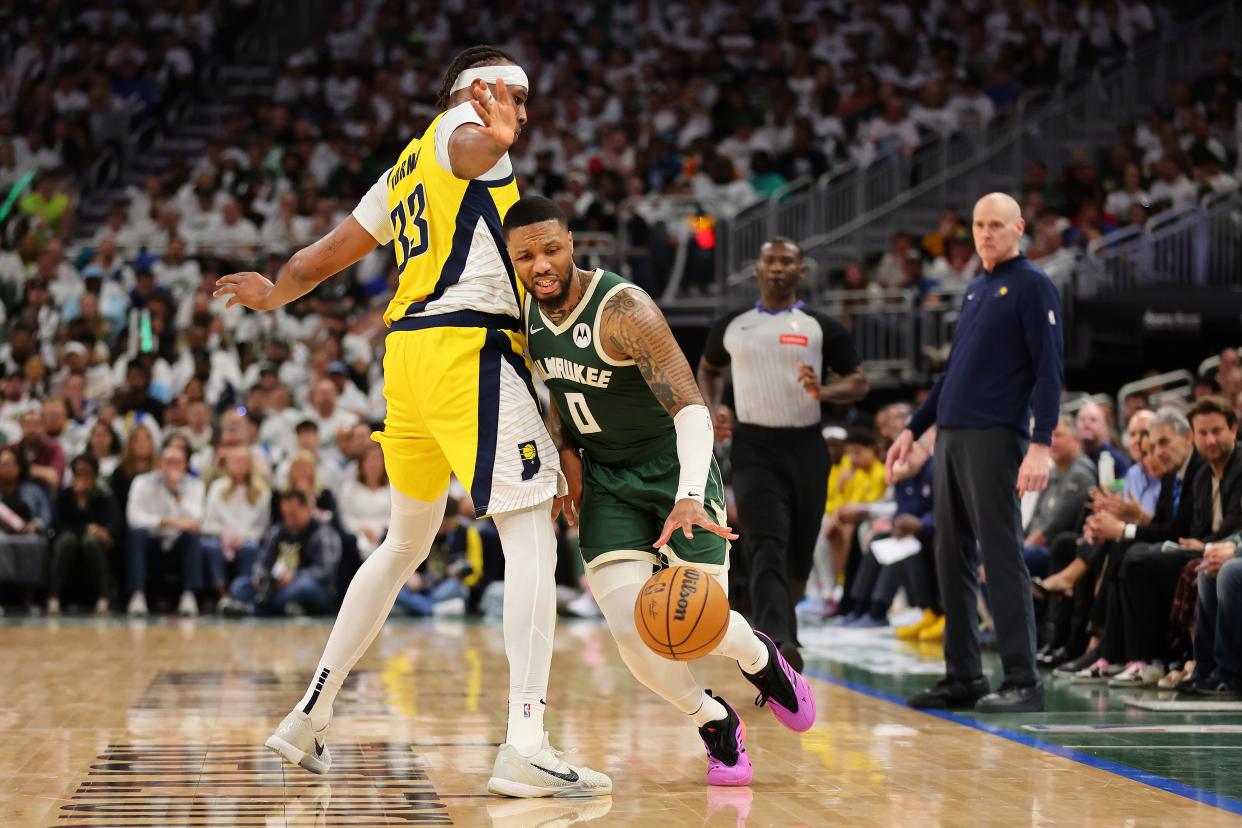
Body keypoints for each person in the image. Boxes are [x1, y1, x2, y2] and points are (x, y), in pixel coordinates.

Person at [214, 45, 610, 796]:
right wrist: (491, 137)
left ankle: (308, 716)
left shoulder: (401, 170)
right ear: (482, 91)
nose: (523, 114)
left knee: (405, 541)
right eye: (515, 98)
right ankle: (525, 740)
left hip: (408, 361)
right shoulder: (467, 135)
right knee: (529, 531)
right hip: (468, 352)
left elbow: (322, 259)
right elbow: (466, 140)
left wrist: (274, 293)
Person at [507, 196, 816, 787]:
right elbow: (555, 393)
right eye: (526, 256)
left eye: (551, 249)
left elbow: (692, 407)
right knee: (635, 631)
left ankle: (760, 660)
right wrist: (567, 452)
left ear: (572, 242)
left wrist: (690, 493)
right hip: (605, 481)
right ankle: (714, 721)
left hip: (676, 470)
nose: (541, 264)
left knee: (696, 627)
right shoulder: (523, 313)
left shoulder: (625, 310)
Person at [887, 192, 1063, 714]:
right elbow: (953, 374)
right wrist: (915, 429)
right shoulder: (977, 288)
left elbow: (1050, 371)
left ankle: (1023, 679)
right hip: (953, 438)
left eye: (995, 225)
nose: (985, 233)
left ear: (1018, 228)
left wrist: (1042, 444)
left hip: (995, 436)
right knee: (950, 555)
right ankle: (963, 676)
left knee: (1001, 555)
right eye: (978, 225)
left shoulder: (1033, 285)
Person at [697, 237, 868, 671]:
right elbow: (709, 368)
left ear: (800, 271)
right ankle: (779, 645)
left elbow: (859, 382)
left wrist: (824, 390)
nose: (776, 267)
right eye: (769, 259)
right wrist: (712, 406)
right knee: (766, 543)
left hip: (807, 447)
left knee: (799, 553)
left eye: (786, 261)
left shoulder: (820, 325)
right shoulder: (733, 325)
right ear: (757, 268)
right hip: (754, 448)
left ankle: (783, 623)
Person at [223, 490, 341, 617]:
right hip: (275, 585)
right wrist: (261, 577)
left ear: (307, 509)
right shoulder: (278, 531)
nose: (288, 519)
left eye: (293, 514)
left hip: (308, 586)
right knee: (239, 586)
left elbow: (325, 570)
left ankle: (252, 611)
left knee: (301, 589)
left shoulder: (324, 534)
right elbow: (263, 561)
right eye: (285, 515)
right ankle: (277, 609)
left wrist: (294, 576)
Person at [124, 444, 206, 617]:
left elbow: (196, 519)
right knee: (136, 535)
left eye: (177, 463)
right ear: (160, 464)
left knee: (193, 536)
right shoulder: (142, 482)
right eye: (168, 462)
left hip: (178, 544)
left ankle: (189, 596)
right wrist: (167, 522)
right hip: (151, 541)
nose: (172, 467)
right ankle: (137, 595)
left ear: (185, 466)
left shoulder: (195, 486)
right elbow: (134, 517)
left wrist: (176, 492)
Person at [47, 454, 118, 615]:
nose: (82, 477)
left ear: (94, 475)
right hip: (69, 538)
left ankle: (103, 596)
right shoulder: (65, 495)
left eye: (87, 472)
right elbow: (57, 525)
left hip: (97, 543)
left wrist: (104, 531)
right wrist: (86, 527)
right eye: (78, 472)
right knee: (67, 541)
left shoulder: (104, 495)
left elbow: (114, 523)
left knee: (90, 542)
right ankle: (53, 596)